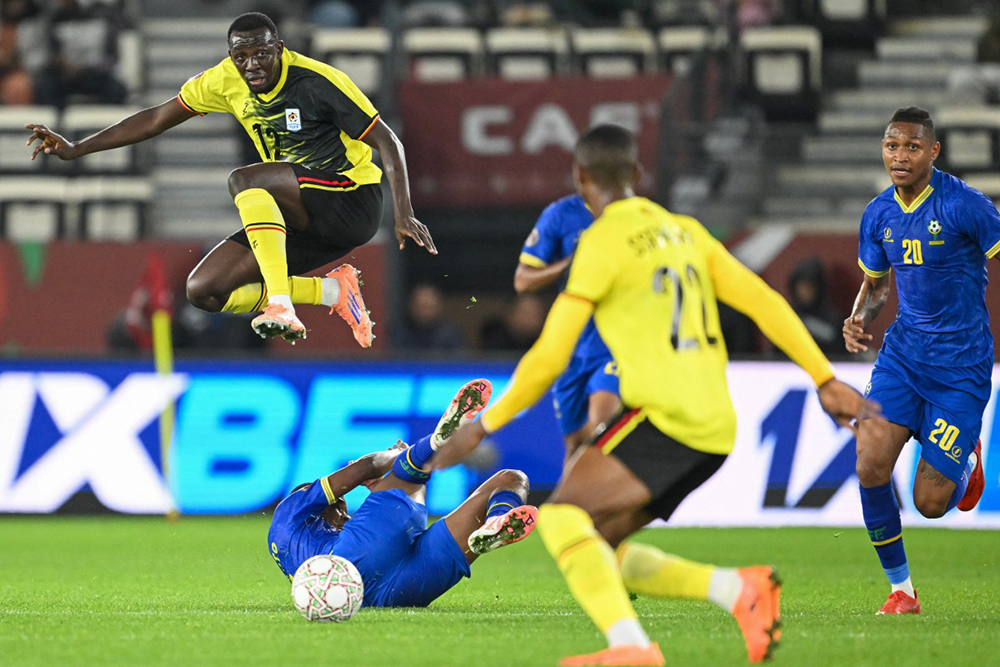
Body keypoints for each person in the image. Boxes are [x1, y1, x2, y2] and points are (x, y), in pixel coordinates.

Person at [432, 124, 873, 666]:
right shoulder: (686, 230)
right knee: (600, 546)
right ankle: (739, 592)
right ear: (638, 176)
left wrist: (485, 424)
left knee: (564, 518)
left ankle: (632, 648)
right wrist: (823, 377)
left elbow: (550, 355)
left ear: (580, 178)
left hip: (666, 418)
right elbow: (763, 300)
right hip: (715, 424)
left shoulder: (601, 243)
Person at [25, 12, 436, 347]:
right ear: (231, 57)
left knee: (246, 180)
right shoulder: (224, 80)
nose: (252, 65)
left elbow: (388, 140)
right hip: (303, 213)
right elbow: (154, 119)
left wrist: (403, 212)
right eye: (242, 57)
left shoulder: (317, 82)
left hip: (352, 199)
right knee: (203, 291)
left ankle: (280, 304)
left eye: (261, 54)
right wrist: (77, 147)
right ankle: (332, 292)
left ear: (279, 49)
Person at [843, 106, 991, 615]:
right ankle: (902, 590)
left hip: (962, 371)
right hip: (902, 359)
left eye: (910, 147)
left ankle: (965, 460)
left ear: (933, 151)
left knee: (930, 503)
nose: (899, 156)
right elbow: (877, 284)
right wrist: (859, 316)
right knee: (869, 463)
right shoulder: (878, 214)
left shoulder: (966, 206)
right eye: (891, 146)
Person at [267, 378, 538, 608]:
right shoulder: (291, 509)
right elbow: (366, 466)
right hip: (348, 563)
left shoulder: (296, 544)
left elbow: (378, 537)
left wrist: (389, 485)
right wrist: (399, 456)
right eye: (337, 505)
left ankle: (495, 522)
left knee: (512, 479)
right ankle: (434, 442)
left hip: (388, 596)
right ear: (307, 498)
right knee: (411, 469)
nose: (343, 510)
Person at [514, 194, 621, 459]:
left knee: (602, 428)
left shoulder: (634, 217)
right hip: (573, 341)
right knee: (574, 445)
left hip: (616, 340)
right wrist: (567, 265)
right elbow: (523, 281)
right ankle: (577, 500)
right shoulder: (561, 214)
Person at [391, 282, 465, 351]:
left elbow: (460, 361)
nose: (424, 312)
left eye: (428, 307)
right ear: (411, 306)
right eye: (420, 306)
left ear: (438, 307)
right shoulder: (400, 333)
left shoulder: (450, 335)